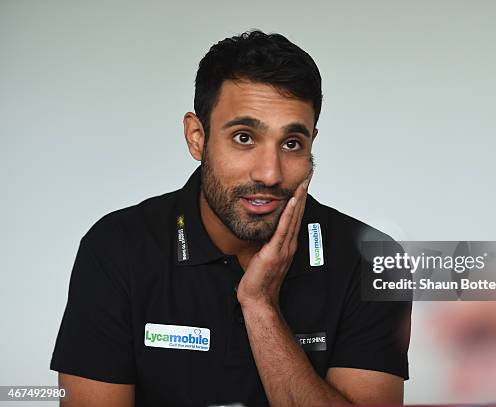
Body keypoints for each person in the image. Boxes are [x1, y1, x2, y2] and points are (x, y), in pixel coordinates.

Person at [50, 30, 411, 407]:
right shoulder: (116, 247)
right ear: (196, 137)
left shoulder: (376, 262)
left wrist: (260, 305)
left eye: (291, 143)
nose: (269, 174)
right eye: (243, 137)